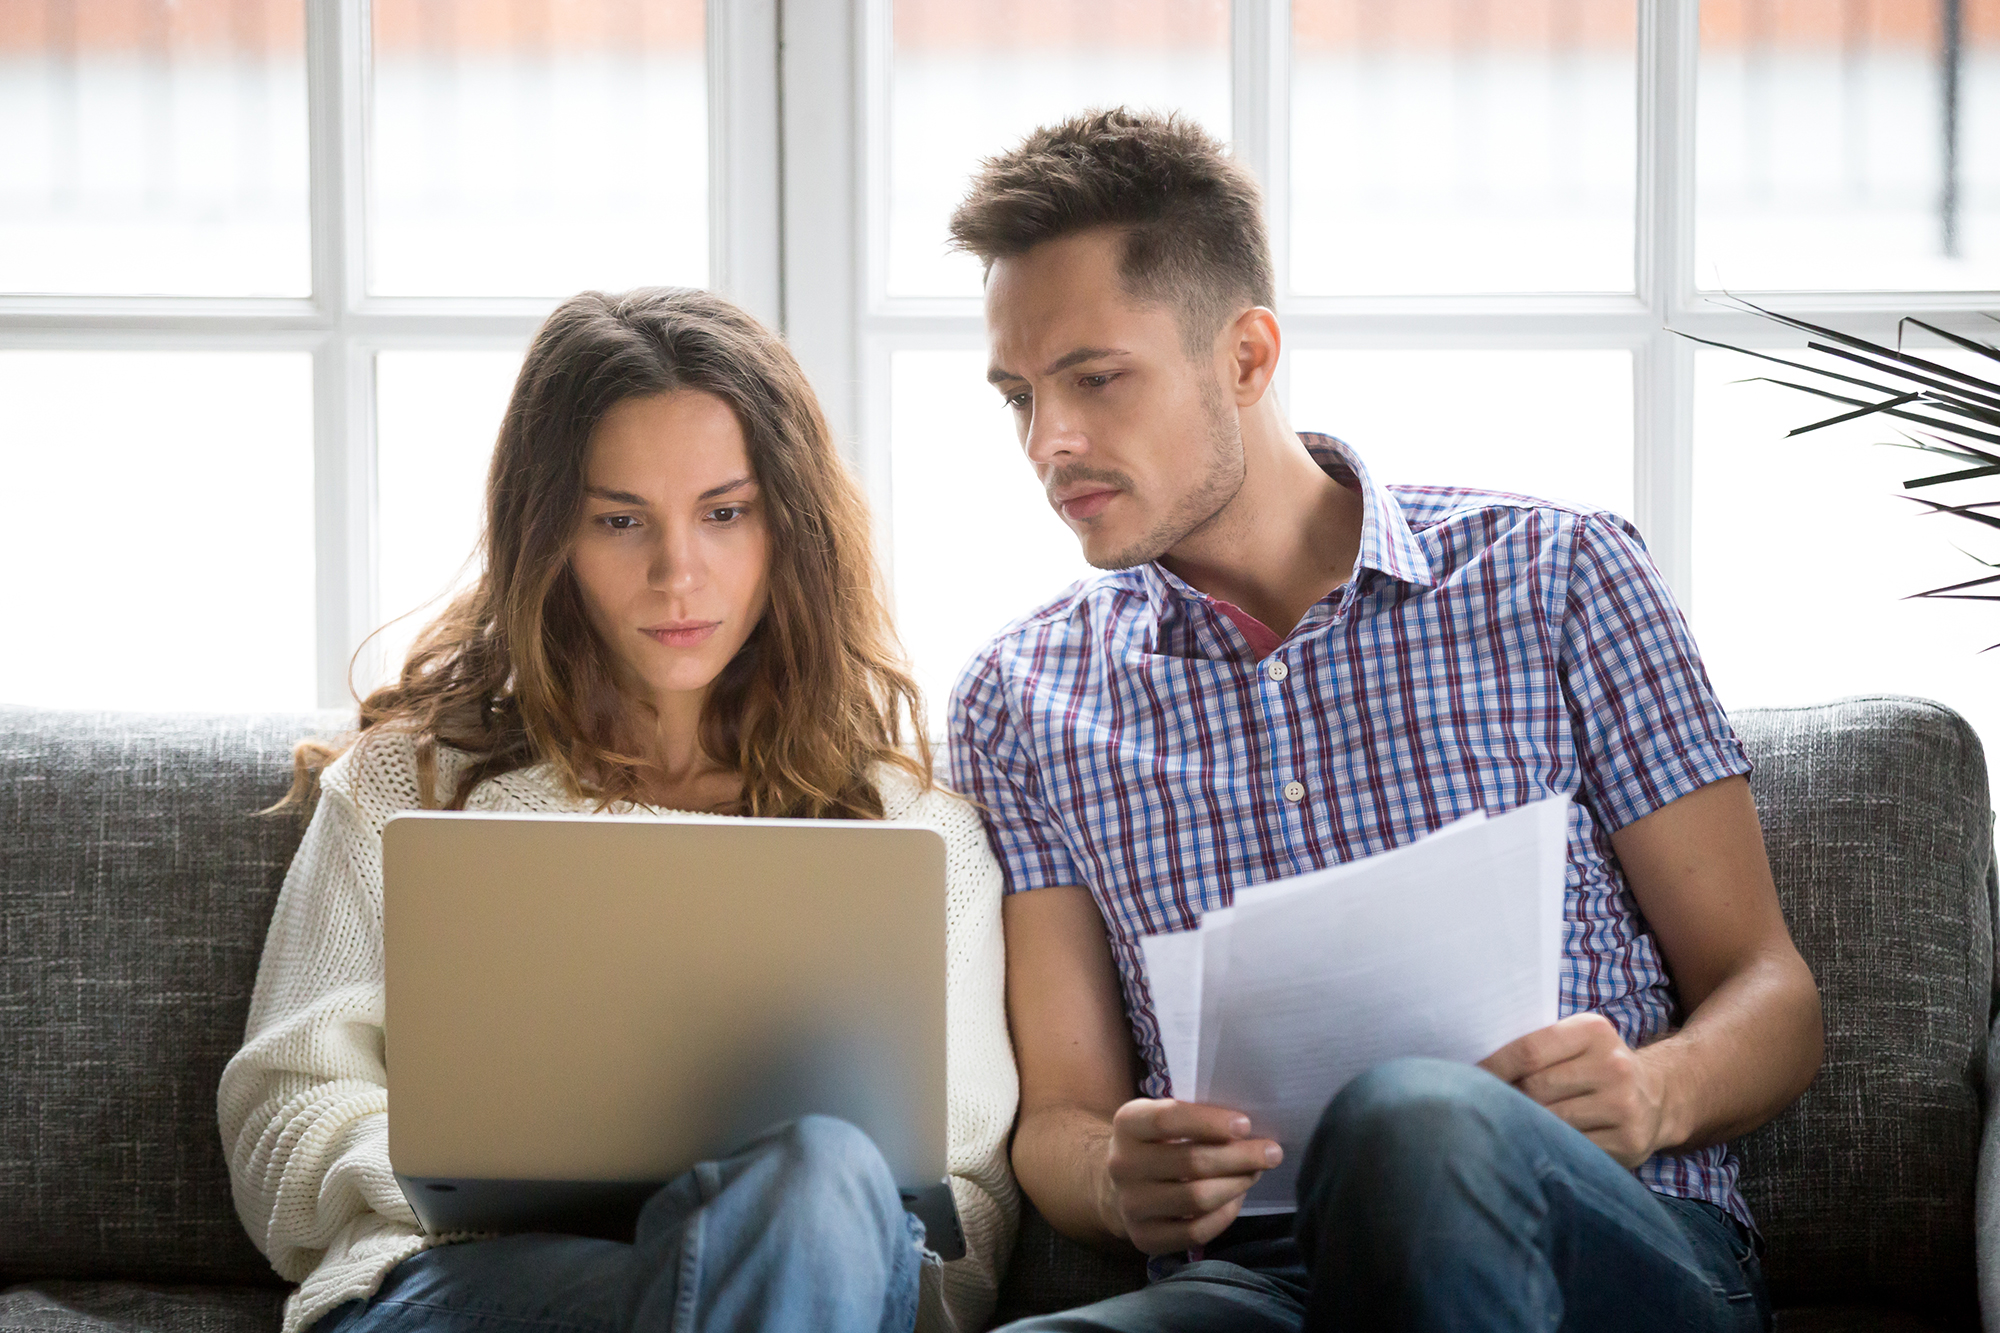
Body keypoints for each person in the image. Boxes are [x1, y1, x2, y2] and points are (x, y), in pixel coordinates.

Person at [943, 109, 1822, 1332]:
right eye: (1016, 397)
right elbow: (1060, 1120)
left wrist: (1655, 1093)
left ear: (1245, 357)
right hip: (1258, 1281)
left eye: (1094, 379)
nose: (1050, 445)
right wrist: (1111, 1173)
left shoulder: (1557, 575)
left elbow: (1770, 992)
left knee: (1410, 1122)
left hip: (1579, 1239)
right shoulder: (1020, 699)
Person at [218, 288, 1019, 1333]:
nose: (676, 573)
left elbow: (964, 1202)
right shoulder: (407, 788)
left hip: (798, 1285)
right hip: (468, 1288)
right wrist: (458, 1188)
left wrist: (751, 1234)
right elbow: (285, 1113)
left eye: (724, 513)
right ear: (550, 535)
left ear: (793, 528)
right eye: (619, 520)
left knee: (822, 1174)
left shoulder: (913, 835)